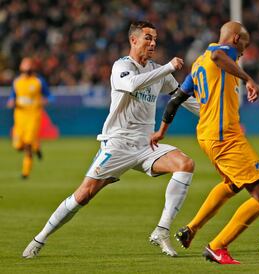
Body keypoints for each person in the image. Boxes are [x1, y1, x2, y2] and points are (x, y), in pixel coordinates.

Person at [22, 21, 199, 258]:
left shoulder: (157, 71)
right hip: (118, 143)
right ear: (133, 40)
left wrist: (216, 114)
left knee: (185, 164)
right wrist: (168, 67)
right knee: (83, 195)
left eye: (155, 38)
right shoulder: (122, 66)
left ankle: (161, 230)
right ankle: (39, 239)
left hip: (147, 145)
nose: (153, 43)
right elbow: (130, 84)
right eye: (148, 38)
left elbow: (182, 99)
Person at [150, 21, 259, 264]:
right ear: (236, 39)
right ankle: (218, 247)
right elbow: (219, 55)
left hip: (207, 136)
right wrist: (248, 79)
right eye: (243, 50)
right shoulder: (224, 52)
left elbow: (175, 100)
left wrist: (161, 131)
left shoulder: (198, 64)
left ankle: (192, 228)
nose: (240, 55)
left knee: (233, 184)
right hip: (224, 136)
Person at [7, 57, 51, 179]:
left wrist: (46, 100)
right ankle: (36, 146)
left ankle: (25, 172)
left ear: (32, 67)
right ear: (21, 67)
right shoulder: (17, 82)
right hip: (19, 118)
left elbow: (49, 96)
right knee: (17, 146)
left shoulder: (38, 81)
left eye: (29, 65)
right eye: (24, 65)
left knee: (27, 144)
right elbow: (12, 96)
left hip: (33, 116)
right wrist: (11, 101)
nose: (26, 68)